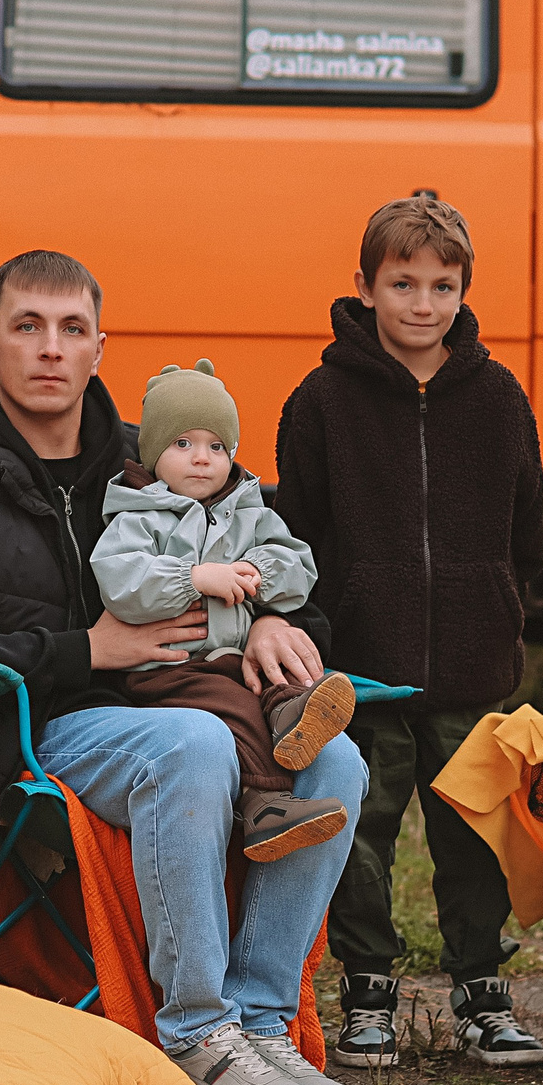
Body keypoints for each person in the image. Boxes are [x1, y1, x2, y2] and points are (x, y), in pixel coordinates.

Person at [0, 251, 368, 1085]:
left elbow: (261, 549)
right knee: (195, 744)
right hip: (36, 727)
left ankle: (262, 1020)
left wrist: (289, 622)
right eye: (27, 327)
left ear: (102, 347)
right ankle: (197, 1031)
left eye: (71, 330)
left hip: (182, 695)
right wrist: (83, 651)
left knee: (340, 764)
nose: (50, 350)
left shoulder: (154, 456)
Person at [275, 196, 543, 1072]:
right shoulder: (320, 400)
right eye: (402, 283)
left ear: (465, 289)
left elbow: (528, 524)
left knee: (474, 830)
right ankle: (368, 991)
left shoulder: (499, 396)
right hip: (364, 667)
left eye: (442, 284)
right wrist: (327, 629)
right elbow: (301, 533)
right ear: (365, 286)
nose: (422, 303)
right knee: (362, 826)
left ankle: (480, 990)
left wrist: (498, 600)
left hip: (473, 663)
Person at [90, 359, 360, 862]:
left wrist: (260, 572)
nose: (201, 459)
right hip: (167, 667)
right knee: (231, 707)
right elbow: (120, 581)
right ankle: (265, 805)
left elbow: (299, 565)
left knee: (264, 681)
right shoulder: (137, 516)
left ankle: (294, 715)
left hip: (228, 658)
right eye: (183, 444)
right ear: (152, 454)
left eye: (216, 446)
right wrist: (191, 578)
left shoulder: (250, 512)